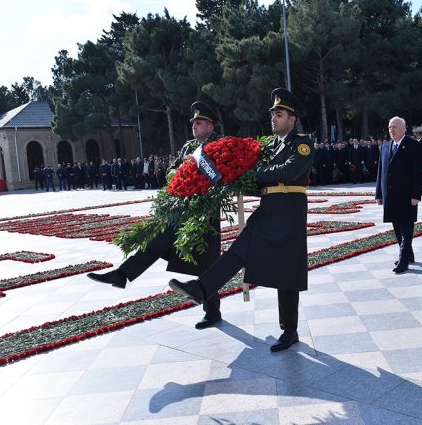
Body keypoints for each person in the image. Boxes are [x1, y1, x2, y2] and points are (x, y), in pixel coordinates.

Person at [168, 88, 314, 352]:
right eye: (272, 114)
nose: (273, 118)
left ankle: (289, 331)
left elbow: (291, 171)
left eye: (279, 114)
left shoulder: (302, 144)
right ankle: (202, 289)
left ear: (292, 119)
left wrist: (258, 173)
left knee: (287, 271)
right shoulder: (272, 146)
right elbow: (261, 179)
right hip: (269, 207)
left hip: (290, 211)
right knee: (238, 250)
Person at [88, 101, 223, 329]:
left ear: (210, 126)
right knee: (157, 240)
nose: (194, 126)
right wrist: (178, 174)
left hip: (204, 210)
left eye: (198, 123)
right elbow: (172, 169)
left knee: (205, 261)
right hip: (182, 207)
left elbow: (218, 175)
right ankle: (123, 273)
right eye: (193, 123)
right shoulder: (188, 146)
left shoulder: (219, 146)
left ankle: (212, 311)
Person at [375, 116, 422, 274]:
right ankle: (408, 254)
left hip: (407, 195)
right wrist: (379, 193)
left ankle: (403, 260)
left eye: (395, 127)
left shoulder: (413, 146)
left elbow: (418, 173)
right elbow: (380, 172)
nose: (392, 130)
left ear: (404, 129)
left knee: (406, 228)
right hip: (390, 195)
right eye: (390, 127)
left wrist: (416, 195)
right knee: (397, 227)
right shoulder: (384, 147)